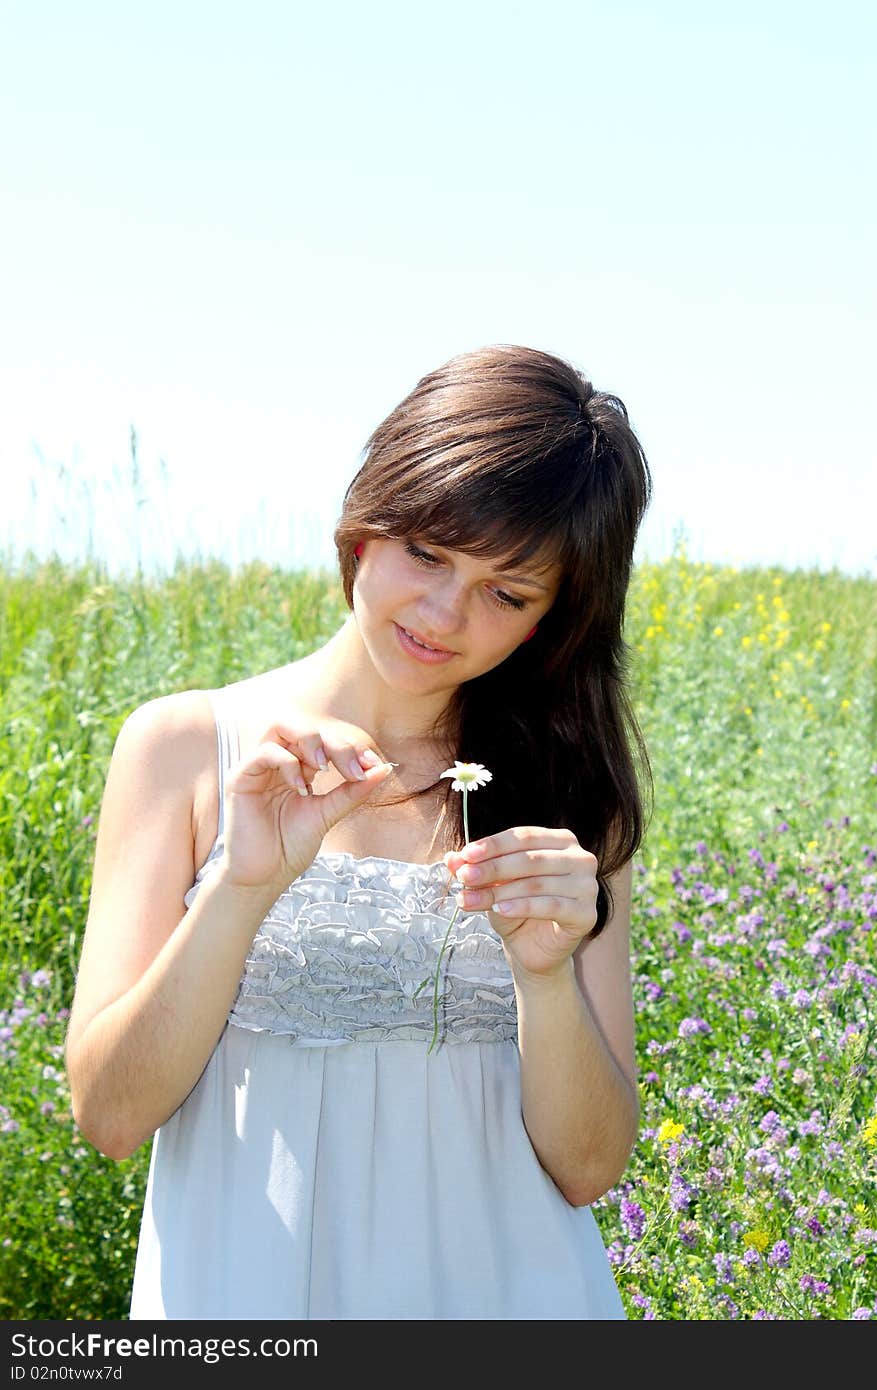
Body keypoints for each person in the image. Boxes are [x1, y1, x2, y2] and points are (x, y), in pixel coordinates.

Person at [65, 342, 652, 1321]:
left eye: (506, 593)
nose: (443, 612)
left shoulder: (567, 790)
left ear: (554, 620)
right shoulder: (184, 749)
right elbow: (111, 1114)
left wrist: (544, 978)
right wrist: (243, 887)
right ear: (367, 518)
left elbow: (589, 1168)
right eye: (427, 552)